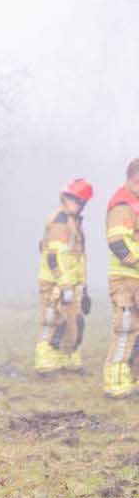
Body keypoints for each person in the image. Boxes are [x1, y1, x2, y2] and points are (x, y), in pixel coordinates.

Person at [35, 180, 93, 373]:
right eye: (72, 199)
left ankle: (66, 358)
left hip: (70, 282)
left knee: (74, 321)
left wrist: (83, 287)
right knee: (53, 320)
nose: (74, 203)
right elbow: (55, 256)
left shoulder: (73, 221)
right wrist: (65, 285)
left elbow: (78, 258)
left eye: (77, 201)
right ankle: (45, 361)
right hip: (55, 282)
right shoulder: (61, 221)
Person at [105, 159, 139, 397]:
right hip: (126, 279)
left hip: (134, 277)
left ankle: (130, 378)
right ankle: (116, 384)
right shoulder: (122, 204)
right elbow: (118, 243)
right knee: (125, 329)